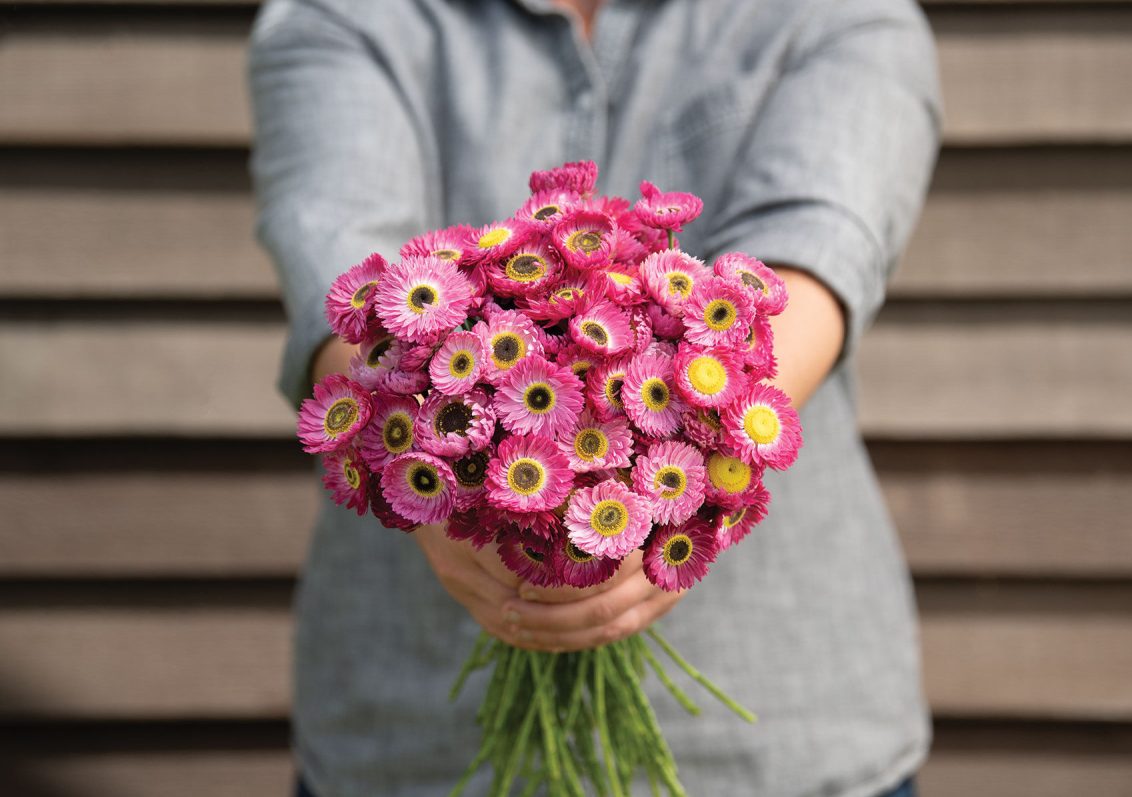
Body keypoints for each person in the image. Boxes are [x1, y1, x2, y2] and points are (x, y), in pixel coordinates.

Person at [249, 0, 942, 794]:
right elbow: (342, 268)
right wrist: (426, 470)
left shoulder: (840, 14)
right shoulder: (341, 17)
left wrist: (670, 495)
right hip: (416, 743)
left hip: (780, 739)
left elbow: (821, 253)